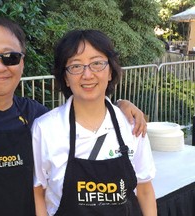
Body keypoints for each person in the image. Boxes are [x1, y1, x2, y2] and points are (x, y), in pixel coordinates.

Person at [0, 17, 147, 216]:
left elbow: (84, 112)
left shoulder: (35, 115)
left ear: (22, 62)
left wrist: (119, 106)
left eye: (10, 57)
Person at [32, 29, 157, 216]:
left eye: (97, 63)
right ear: (65, 77)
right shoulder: (45, 128)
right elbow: (38, 191)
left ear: (110, 72)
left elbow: (145, 189)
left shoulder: (131, 125)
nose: (87, 75)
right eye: (76, 66)